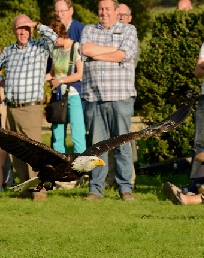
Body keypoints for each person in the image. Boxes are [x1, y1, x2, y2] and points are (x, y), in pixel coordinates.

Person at [0, 14, 58, 201]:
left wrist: (35, 24)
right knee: (17, 151)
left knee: (34, 150)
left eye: (26, 28)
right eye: (20, 28)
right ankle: (26, 188)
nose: (23, 31)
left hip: (31, 107)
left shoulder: (40, 47)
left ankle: (39, 190)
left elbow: (54, 38)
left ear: (31, 30)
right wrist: (0, 82)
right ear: (14, 30)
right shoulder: (8, 51)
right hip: (11, 108)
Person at [80, 0, 138, 201]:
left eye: (107, 9)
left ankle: (125, 188)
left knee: (122, 145)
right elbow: (86, 50)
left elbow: (124, 54)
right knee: (97, 146)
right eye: (100, 9)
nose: (103, 12)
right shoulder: (88, 30)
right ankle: (96, 189)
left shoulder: (129, 30)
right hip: (95, 97)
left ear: (115, 11)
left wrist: (101, 51)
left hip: (120, 96)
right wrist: (111, 50)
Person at [106, 3, 139, 189]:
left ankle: (128, 180)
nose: (120, 18)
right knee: (108, 140)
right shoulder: (109, 35)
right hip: (107, 93)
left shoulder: (131, 36)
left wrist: (108, 54)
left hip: (123, 94)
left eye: (123, 15)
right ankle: (111, 179)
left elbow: (123, 59)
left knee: (124, 140)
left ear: (129, 18)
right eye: (117, 15)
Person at [47, 20, 86, 154]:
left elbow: (80, 74)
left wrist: (61, 80)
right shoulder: (55, 49)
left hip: (73, 95)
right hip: (58, 96)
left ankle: (81, 169)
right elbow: (52, 72)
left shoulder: (76, 47)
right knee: (57, 135)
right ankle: (60, 167)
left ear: (61, 34)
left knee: (77, 134)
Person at [180, 38, 204, 194]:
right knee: (199, 143)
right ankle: (194, 185)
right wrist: (203, 66)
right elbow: (197, 71)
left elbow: (202, 66)